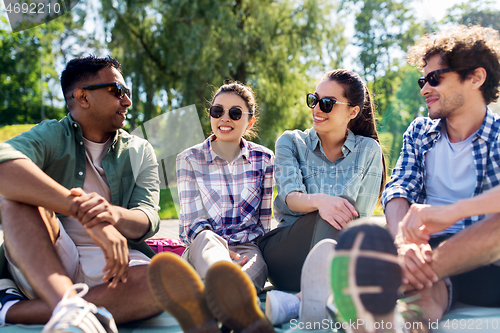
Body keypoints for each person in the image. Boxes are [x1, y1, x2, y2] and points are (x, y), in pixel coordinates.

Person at [0, 55, 163, 331]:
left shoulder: (140, 149)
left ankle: (18, 310)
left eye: (127, 93)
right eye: (118, 91)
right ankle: (67, 302)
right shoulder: (51, 134)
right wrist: (83, 211)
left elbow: (148, 218)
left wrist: (111, 215)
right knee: (14, 193)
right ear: (83, 98)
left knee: (162, 279)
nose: (127, 101)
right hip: (50, 259)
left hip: (118, 264)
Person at [381, 25, 500, 325]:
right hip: (428, 255)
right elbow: (398, 191)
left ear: (476, 77)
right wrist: (402, 244)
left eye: (435, 78)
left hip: (490, 264)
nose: (423, 90)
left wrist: (449, 213)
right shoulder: (419, 132)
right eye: (423, 80)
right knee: (418, 306)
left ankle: (384, 279)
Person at [259, 69, 386, 325]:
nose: (317, 108)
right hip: (285, 254)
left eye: (327, 103)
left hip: (340, 254)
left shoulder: (368, 151)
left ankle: (302, 301)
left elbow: (357, 221)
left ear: (352, 111)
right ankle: (319, 298)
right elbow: (291, 197)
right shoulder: (291, 142)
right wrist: (321, 201)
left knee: (348, 219)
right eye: (313, 99)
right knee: (336, 210)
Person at [147, 82, 275, 332]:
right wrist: (223, 256)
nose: (224, 118)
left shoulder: (265, 159)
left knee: (248, 276)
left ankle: (208, 314)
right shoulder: (188, 158)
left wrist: (247, 254)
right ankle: (224, 287)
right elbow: (193, 223)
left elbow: (263, 223)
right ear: (210, 116)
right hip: (202, 246)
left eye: (235, 113)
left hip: (247, 248)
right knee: (207, 241)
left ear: (249, 122)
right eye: (217, 111)